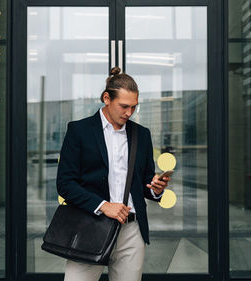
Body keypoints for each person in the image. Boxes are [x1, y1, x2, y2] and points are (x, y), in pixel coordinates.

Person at [56, 67, 171, 281]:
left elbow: (145, 180)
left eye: (134, 107)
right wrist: (103, 205)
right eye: (124, 106)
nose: (129, 113)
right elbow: (65, 184)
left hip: (132, 231)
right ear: (106, 98)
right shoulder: (79, 131)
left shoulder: (142, 134)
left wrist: (155, 188)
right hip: (90, 225)